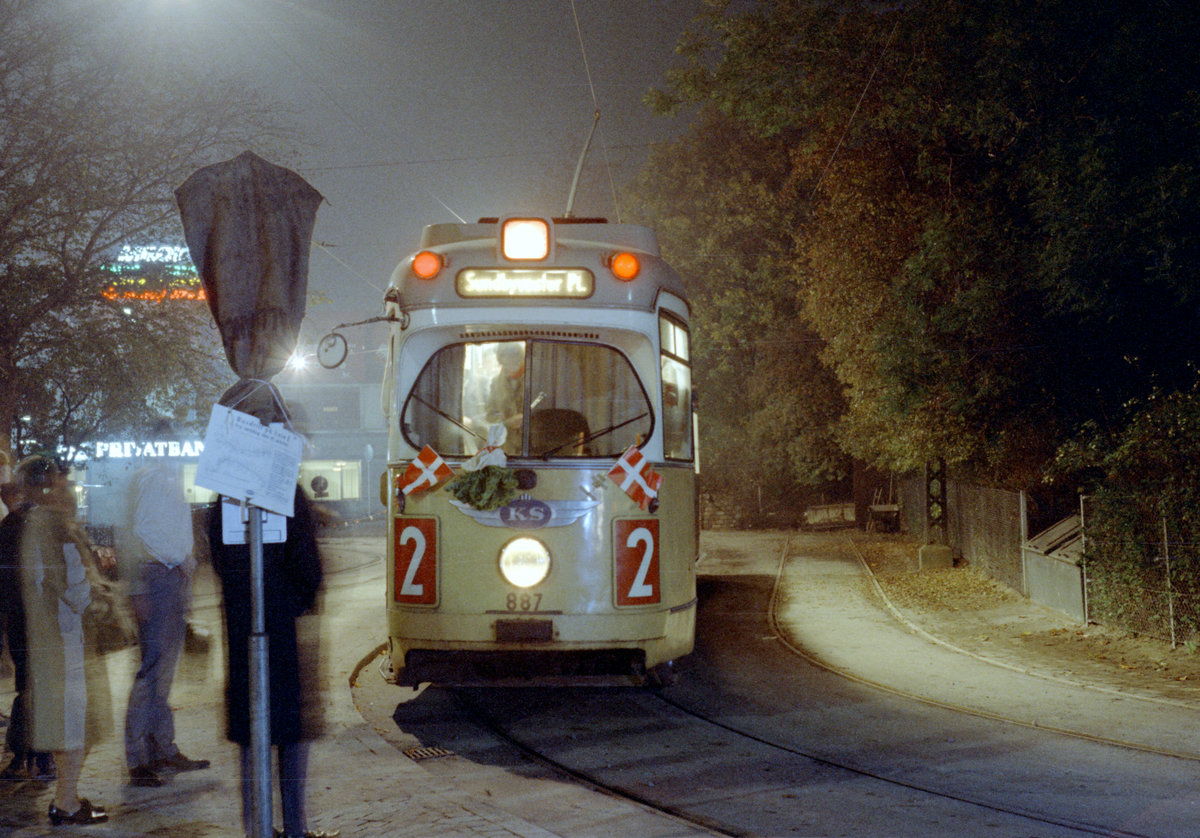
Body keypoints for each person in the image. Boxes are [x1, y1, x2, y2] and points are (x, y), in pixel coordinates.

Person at [208, 486, 332, 838]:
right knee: (291, 727)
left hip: (241, 620)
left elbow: (219, 557)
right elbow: (307, 565)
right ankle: (295, 827)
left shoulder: (227, 492)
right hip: (284, 625)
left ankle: (255, 827)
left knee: (251, 726)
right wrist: (298, 601)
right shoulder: (286, 490)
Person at [16, 456, 108, 825]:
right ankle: (66, 802)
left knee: (68, 722)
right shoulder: (53, 524)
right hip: (67, 639)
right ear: (47, 485)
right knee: (76, 723)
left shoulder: (32, 522)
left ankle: (66, 797)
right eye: (59, 481)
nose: (66, 487)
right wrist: (100, 601)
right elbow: (74, 587)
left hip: (50, 637)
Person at [120, 422, 209, 787]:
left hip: (170, 578)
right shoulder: (150, 479)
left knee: (163, 672)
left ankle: (162, 749)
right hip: (157, 577)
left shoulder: (168, 480)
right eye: (168, 444)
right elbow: (136, 534)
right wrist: (138, 588)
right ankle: (139, 757)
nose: (173, 450)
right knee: (152, 671)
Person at [0, 481, 55, 781]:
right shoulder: (41, 523)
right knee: (40, 686)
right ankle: (39, 757)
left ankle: (22, 755)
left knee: (26, 686)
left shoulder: (9, 524)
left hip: (20, 617)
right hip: (38, 618)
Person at [486, 341, 525, 453]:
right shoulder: (496, 383)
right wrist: (507, 422)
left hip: (534, 447)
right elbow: (490, 415)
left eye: (515, 358)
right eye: (505, 359)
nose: (510, 363)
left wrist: (527, 418)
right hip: (507, 448)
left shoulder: (534, 379)